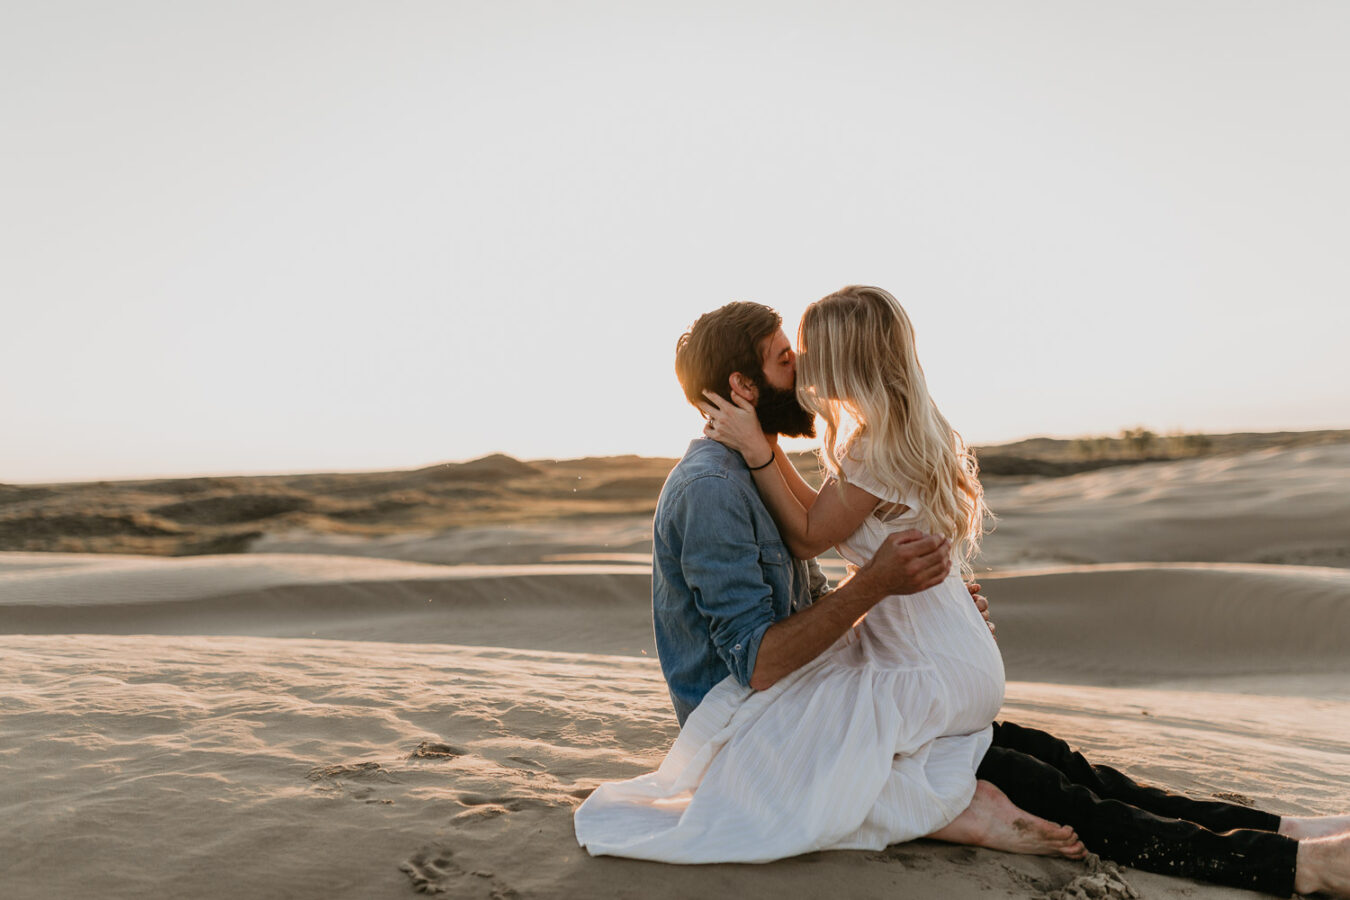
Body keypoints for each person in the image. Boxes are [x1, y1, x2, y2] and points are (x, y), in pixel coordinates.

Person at [573, 290, 1350, 898]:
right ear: (743, 386)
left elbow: (812, 560)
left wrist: (907, 596)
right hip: (756, 724)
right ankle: (1300, 866)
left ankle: (1289, 833)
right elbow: (762, 662)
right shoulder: (713, 491)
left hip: (839, 686)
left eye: (806, 358)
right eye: (787, 361)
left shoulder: (772, 466)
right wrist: (882, 590)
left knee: (1053, 764)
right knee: (1050, 783)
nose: (803, 376)